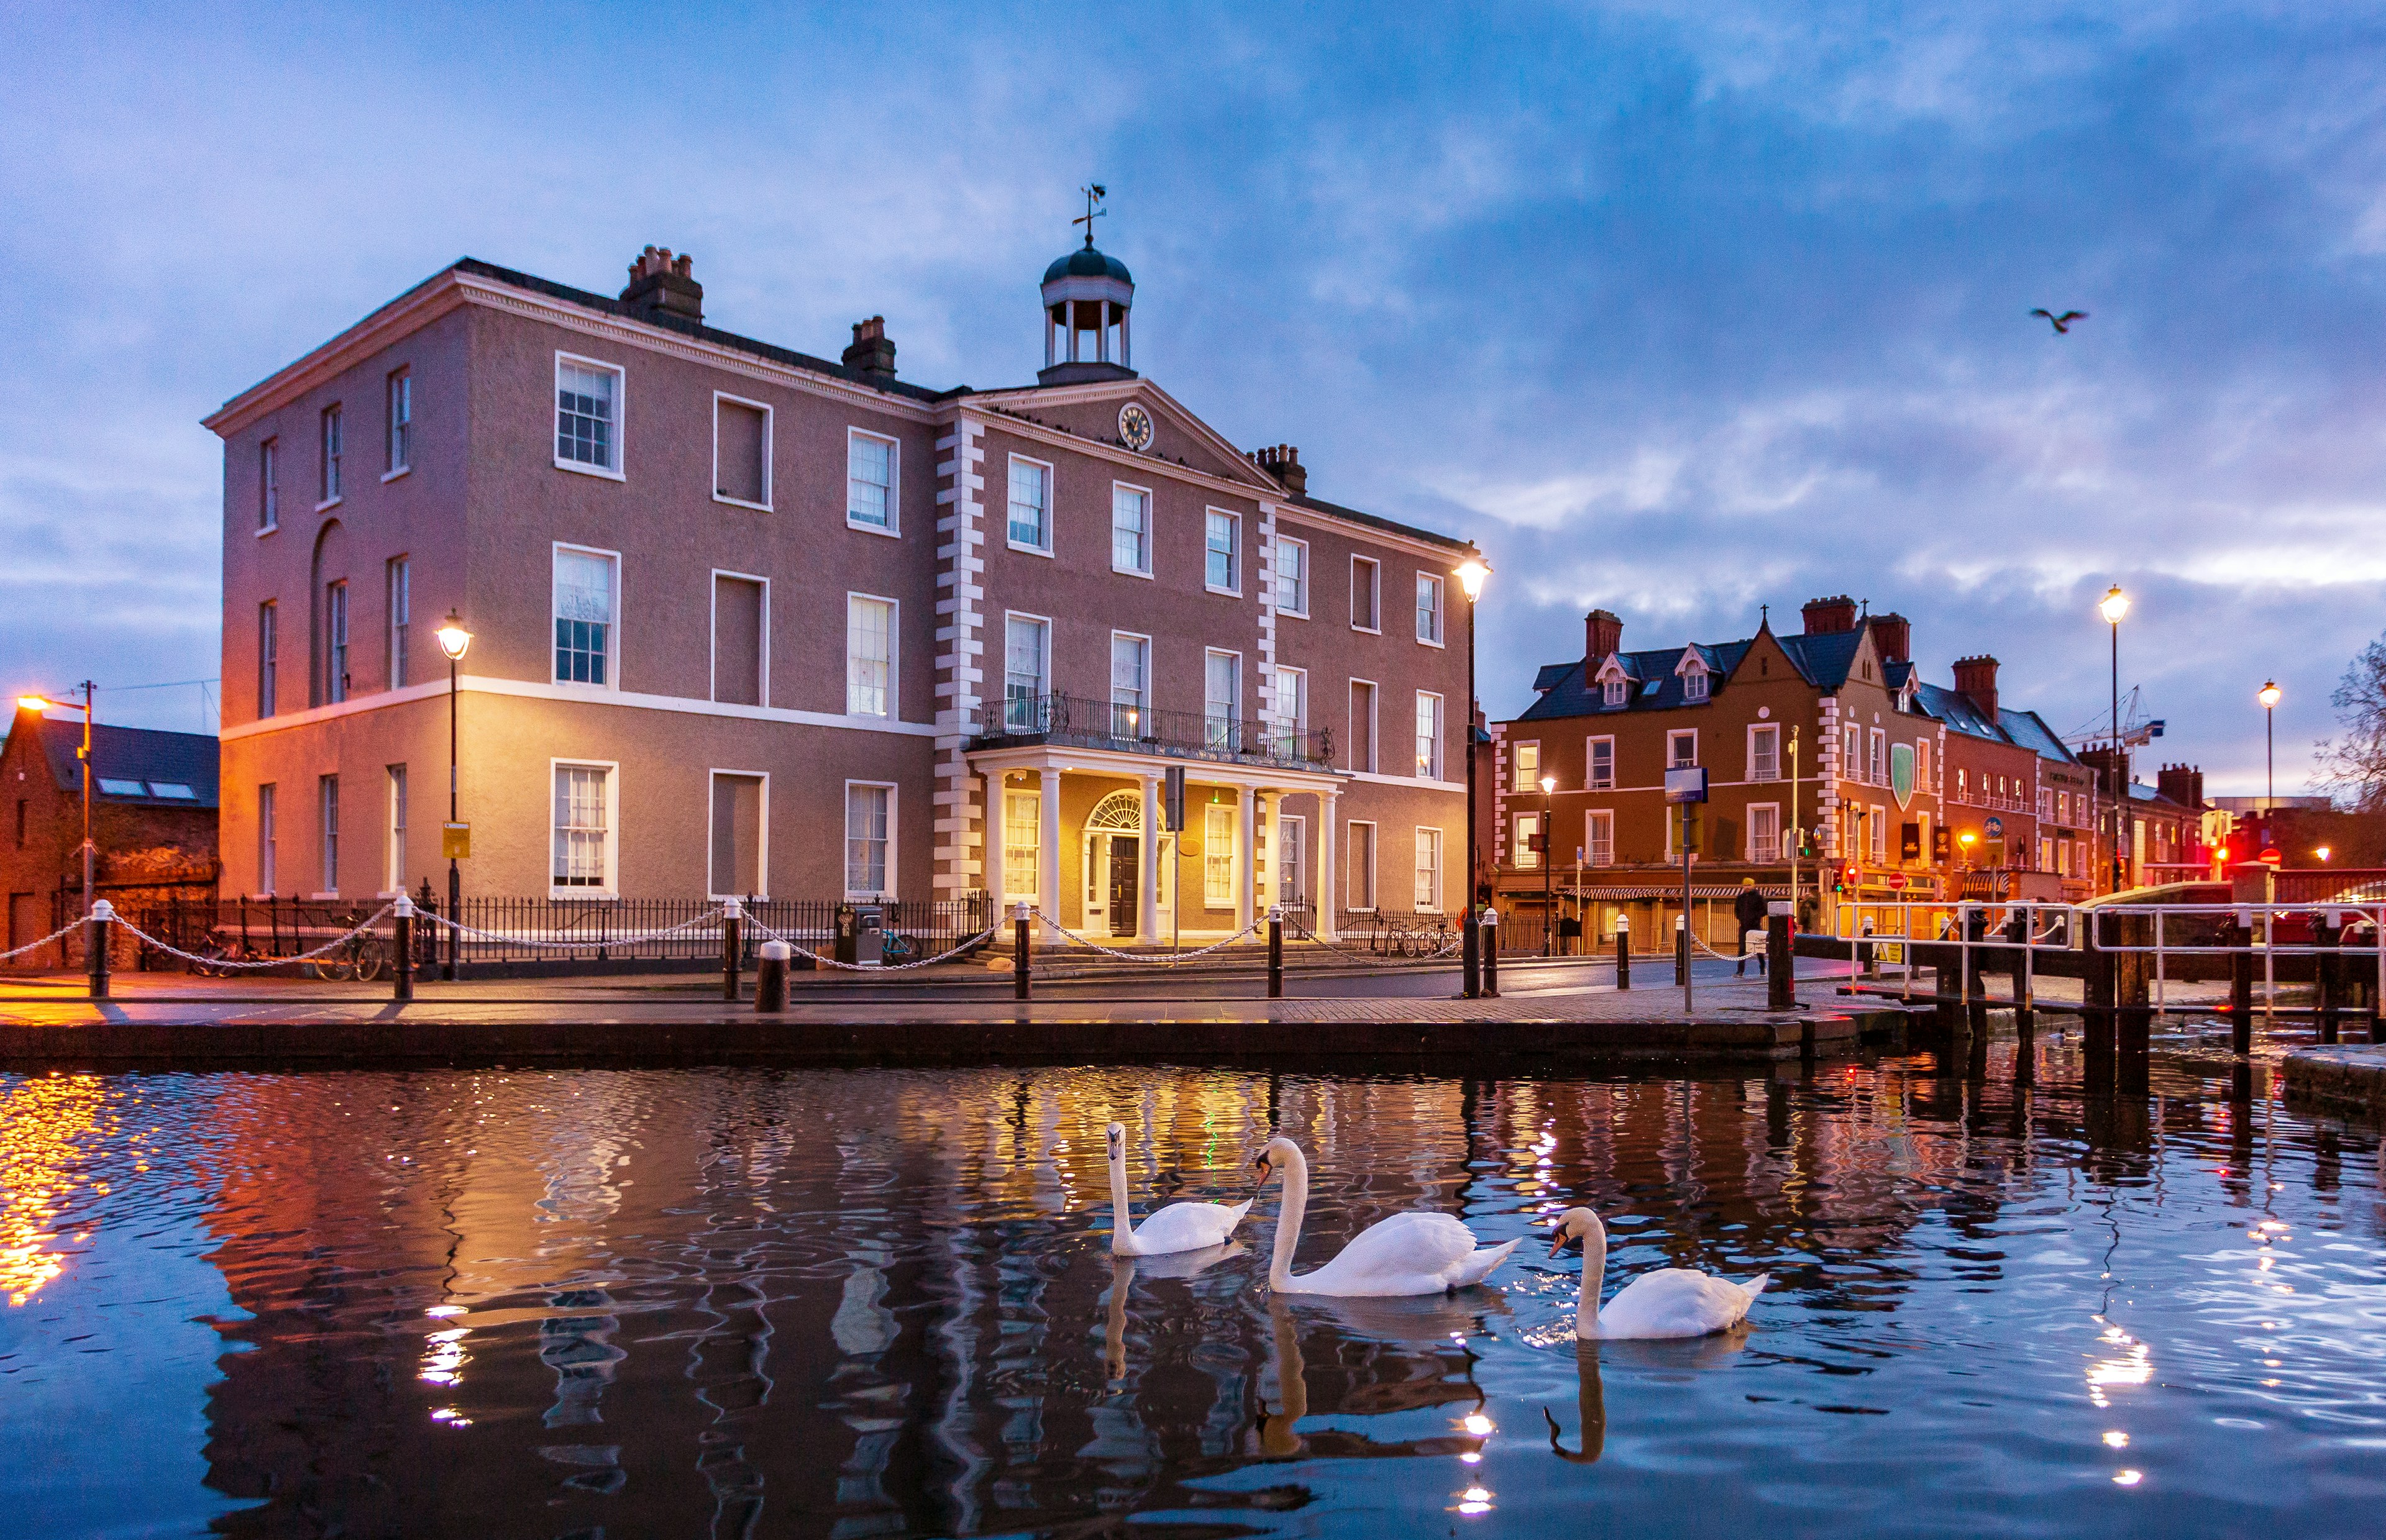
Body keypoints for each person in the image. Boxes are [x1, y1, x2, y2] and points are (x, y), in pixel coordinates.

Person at [1733, 881, 1768, 977]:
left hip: (1755, 926)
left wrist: (1756, 917)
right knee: (1742, 949)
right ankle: (1740, 971)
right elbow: (1737, 910)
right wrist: (1740, 917)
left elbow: (1765, 910)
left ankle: (1762, 968)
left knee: (1759, 949)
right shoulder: (1740, 898)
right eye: (1745, 885)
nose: (1747, 887)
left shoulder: (1758, 898)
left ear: (1753, 886)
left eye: (1749, 885)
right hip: (1743, 926)